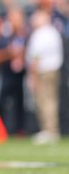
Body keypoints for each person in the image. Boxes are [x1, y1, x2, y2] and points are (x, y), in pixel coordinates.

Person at [25, 8, 64, 145]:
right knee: (51, 100)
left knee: (44, 101)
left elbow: (35, 58)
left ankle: (49, 130)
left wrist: (32, 76)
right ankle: (51, 129)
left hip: (43, 71)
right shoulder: (54, 32)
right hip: (54, 69)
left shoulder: (40, 34)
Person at [0, 7, 27, 135]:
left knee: (20, 104)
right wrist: (10, 53)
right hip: (7, 74)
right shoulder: (4, 35)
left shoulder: (25, 35)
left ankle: (20, 130)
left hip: (20, 75)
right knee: (2, 102)